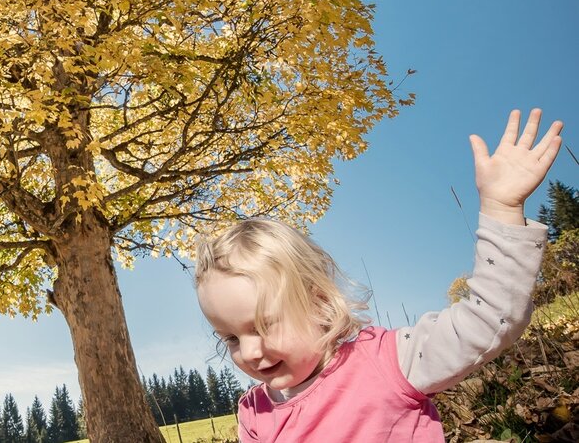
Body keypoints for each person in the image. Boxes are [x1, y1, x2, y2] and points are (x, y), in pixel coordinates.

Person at [195, 109, 564, 442]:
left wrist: (502, 208)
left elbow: (490, 320)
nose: (249, 352)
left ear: (319, 304)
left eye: (263, 324)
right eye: (230, 337)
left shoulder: (390, 361)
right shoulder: (254, 414)